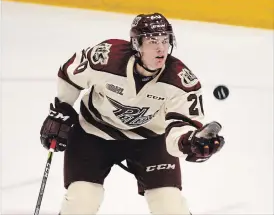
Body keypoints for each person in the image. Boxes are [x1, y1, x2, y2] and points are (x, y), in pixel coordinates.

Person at [40, 12, 225, 215]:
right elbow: (70, 74)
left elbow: (179, 131)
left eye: (165, 40)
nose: (161, 48)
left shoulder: (181, 81)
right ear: (136, 44)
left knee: (169, 206)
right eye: (152, 41)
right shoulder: (107, 57)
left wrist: (190, 143)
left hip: (150, 140)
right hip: (93, 133)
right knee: (81, 202)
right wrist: (62, 109)